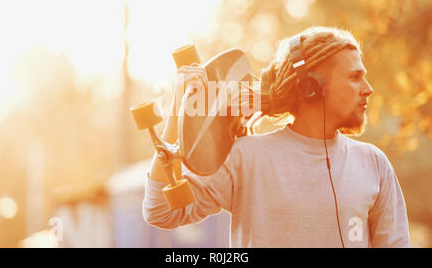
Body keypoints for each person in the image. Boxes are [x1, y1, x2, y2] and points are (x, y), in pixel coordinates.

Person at [142, 26, 410, 248]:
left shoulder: (374, 163)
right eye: (354, 77)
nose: (368, 89)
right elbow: (160, 211)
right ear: (311, 87)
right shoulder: (246, 156)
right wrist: (180, 108)